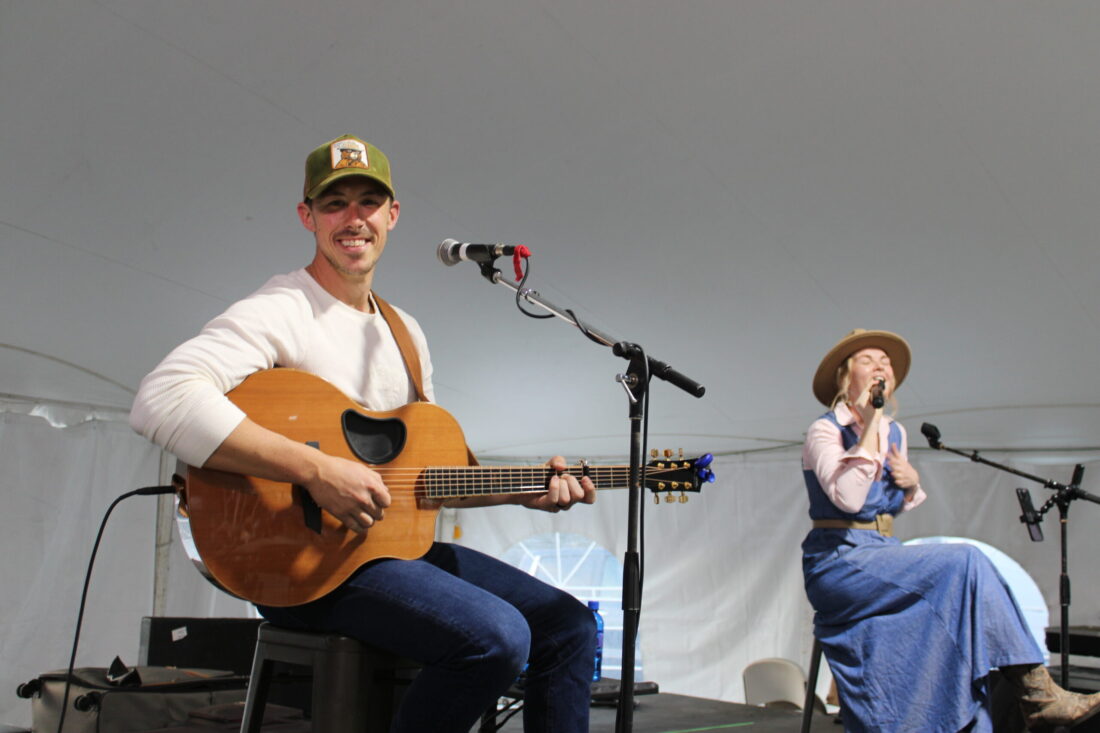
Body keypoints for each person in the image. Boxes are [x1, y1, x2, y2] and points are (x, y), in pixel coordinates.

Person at [130, 134, 597, 732]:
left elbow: (424, 478)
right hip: (303, 569)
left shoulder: (405, 333)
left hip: (390, 554)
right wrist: (315, 470)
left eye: (368, 202)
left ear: (392, 215)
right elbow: (161, 397)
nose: (354, 218)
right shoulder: (281, 308)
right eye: (334, 204)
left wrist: (522, 491)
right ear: (308, 217)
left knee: (569, 627)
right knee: (497, 637)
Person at [800, 329, 1100, 733]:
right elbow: (850, 500)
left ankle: (984, 711)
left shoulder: (896, 432)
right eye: (867, 360)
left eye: (885, 361)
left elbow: (884, 507)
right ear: (844, 376)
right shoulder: (825, 430)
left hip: (881, 548)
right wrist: (870, 426)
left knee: (964, 598)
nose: (880, 367)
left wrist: (910, 485)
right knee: (966, 560)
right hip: (838, 561)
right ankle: (1038, 695)